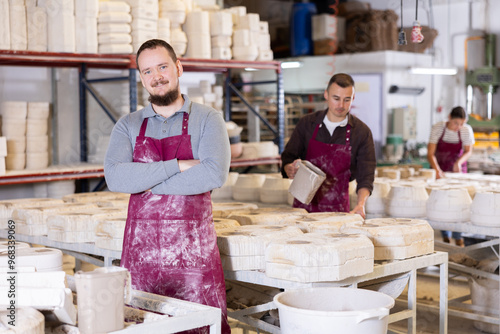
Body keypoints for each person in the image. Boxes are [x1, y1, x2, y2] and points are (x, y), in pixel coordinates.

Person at [104, 39, 231, 334]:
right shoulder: (128, 125)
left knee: (199, 325)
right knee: (143, 325)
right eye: (148, 71)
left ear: (178, 68)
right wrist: (177, 165)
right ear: (141, 79)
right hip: (141, 255)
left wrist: (149, 184)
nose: (156, 76)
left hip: (193, 254)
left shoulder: (208, 120)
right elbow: (116, 178)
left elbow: (213, 175)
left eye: (162, 67)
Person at [281, 73, 376, 218]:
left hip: (337, 212)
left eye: (347, 100)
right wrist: (289, 168)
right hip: (302, 211)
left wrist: (360, 204)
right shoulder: (307, 124)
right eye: (336, 98)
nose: (341, 105)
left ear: (353, 98)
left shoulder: (361, 132)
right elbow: (288, 157)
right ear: (326, 95)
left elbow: (366, 175)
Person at [427, 106, 474, 247]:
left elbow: (468, 151)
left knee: (458, 202)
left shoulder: (466, 130)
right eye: (456, 123)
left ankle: (459, 237)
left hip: (457, 171)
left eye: (461, 124)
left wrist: (459, 162)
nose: (458, 127)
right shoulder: (438, 128)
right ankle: (446, 238)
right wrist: (437, 170)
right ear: (449, 118)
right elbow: (430, 153)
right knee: (442, 203)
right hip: (440, 168)